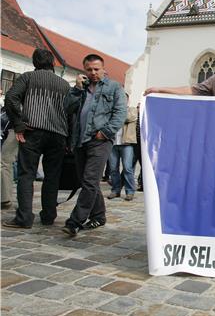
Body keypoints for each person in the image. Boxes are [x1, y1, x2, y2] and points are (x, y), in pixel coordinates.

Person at [2, 49, 71, 228]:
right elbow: (72, 113)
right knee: (52, 176)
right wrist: (68, 139)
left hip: (33, 131)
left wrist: (18, 123)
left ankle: (24, 218)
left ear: (35, 63)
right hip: (58, 134)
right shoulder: (64, 85)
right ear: (52, 63)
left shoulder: (28, 78)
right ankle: (48, 216)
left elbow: (11, 98)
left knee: (27, 175)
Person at [62, 54, 127, 237]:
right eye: (89, 69)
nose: (93, 73)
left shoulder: (114, 87)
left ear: (103, 69)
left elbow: (120, 113)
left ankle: (75, 221)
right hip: (80, 140)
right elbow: (68, 108)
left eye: (96, 69)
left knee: (90, 181)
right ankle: (99, 216)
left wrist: (105, 132)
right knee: (87, 181)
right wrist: (76, 89)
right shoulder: (81, 89)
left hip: (100, 140)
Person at [108, 98, 138, 201]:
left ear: (127, 100)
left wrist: (118, 113)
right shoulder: (111, 110)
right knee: (113, 168)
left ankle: (130, 191)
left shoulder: (132, 110)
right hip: (113, 143)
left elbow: (130, 118)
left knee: (127, 168)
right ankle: (115, 190)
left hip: (127, 143)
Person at [1, 91, 18, 210]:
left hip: (15, 129)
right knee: (28, 170)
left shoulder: (17, 94)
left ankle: (5, 198)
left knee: (5, 163)